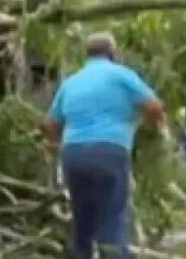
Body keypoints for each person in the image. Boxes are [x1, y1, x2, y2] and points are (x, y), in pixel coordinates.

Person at [42, 32, 164, 259]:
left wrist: (55, 145)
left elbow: (49, 123)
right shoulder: (121, 75)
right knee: (112, 223)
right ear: (112, 54)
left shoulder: (71, 82)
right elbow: (154, 107)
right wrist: (148, 130)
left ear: (87, 55)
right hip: (110, 152)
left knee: (82, 225)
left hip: (74, 155)